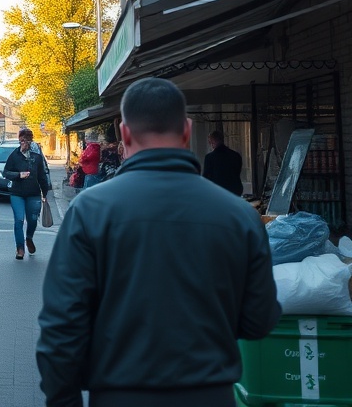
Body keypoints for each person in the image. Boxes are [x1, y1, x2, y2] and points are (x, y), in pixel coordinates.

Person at [36, 77, 281, 407]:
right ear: (186, 131)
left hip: (118, 394)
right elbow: (259, 321)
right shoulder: (239, 216)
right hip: (210, 394)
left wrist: (64, 400)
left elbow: (61, 326)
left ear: (124, 134)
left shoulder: (90, 211)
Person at [2, 128, 50, 260]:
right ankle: (20, 248)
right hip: (17, 193)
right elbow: (5, 173)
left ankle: (29, 238)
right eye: (21, 139)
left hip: (34, 193)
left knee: (33, 220)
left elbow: (42, 176)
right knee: (19, 220)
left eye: (26, 139)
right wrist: (18, 175)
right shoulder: (14, 155)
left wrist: (45, 193)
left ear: (30, 140)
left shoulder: (37, 157)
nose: (23, 142)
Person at [203, 129, 244, 196]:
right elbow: (237, 172)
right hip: (234, 191)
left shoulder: (209, 157)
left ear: (213, 142)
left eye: (210, 142)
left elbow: (206, 177)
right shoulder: (235, 155)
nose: (210, 144)